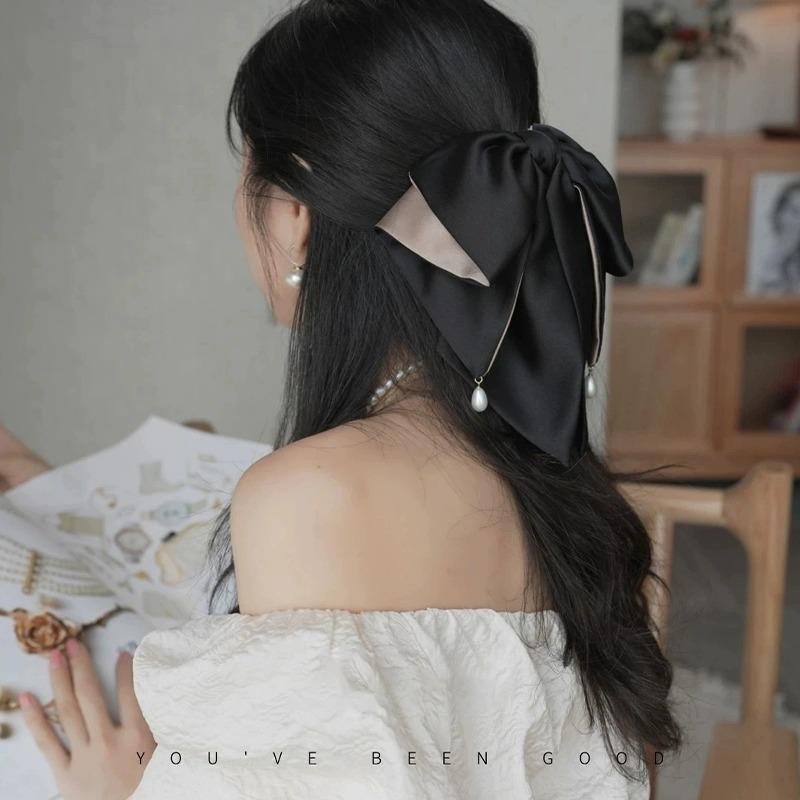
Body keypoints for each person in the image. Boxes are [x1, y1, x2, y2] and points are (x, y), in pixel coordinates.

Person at [5, 0, 683, 797]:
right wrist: (52, 496)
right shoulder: (556, 470)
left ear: (295, 216)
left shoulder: (313, 496)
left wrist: (119, 792)